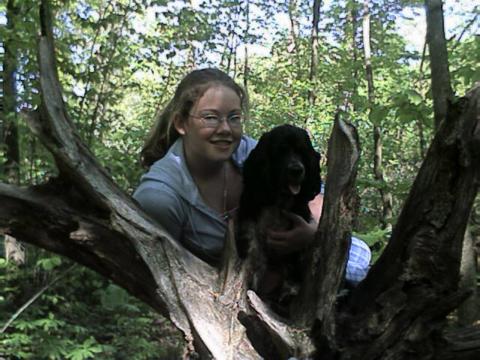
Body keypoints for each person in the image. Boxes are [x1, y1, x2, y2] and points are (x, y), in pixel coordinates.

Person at [133, 68, 370, 284]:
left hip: (297, 276)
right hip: (220, 298)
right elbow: (161, 274)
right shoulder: (161, 197)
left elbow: (315, 193)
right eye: (211, 117)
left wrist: (312, 234)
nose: (226, 129)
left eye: (234, 117)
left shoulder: (248, 151)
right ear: (181, 124)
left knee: (359, 264)